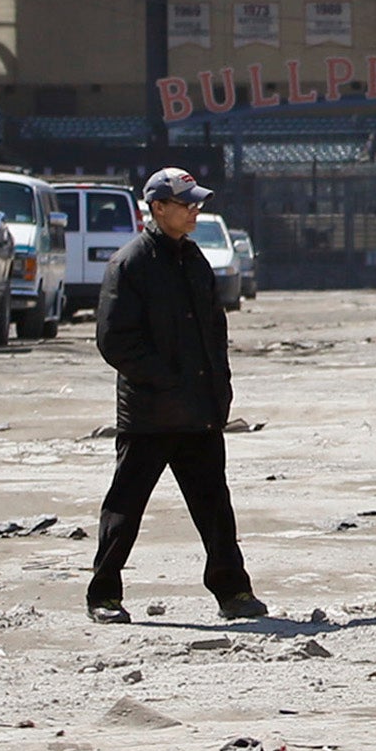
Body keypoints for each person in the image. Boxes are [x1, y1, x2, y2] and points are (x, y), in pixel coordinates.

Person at [88, 167, 265, 625]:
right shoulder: (129, 264)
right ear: (158, 208)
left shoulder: (195, 260)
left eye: (196, 203)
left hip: (199, 412)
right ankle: (104, 594)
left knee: (215, 507)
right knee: (125, 508)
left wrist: (217, 388)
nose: (194, 211)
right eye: (185, 204)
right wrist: (167, 383)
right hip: (150, 413)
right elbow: (115, 341)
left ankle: (234, 593)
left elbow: (213, 330)